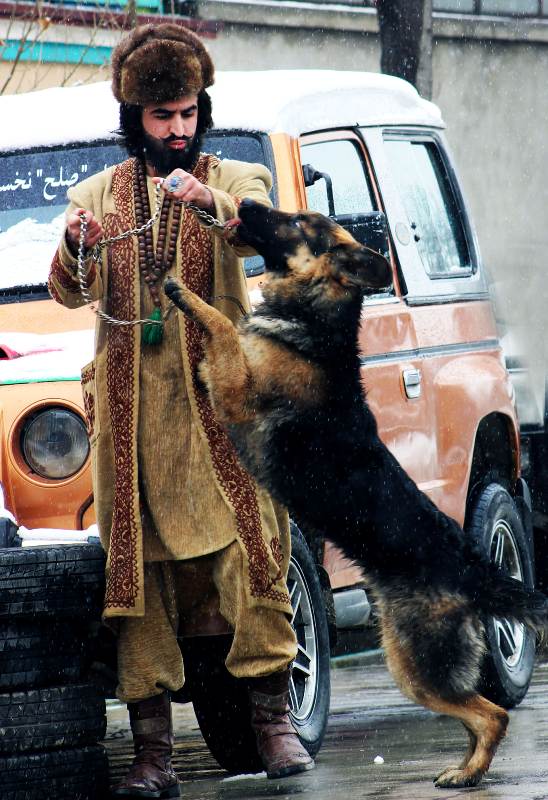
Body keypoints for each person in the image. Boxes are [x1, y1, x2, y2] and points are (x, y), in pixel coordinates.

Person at [48, 23, 313, 800]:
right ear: (136, 118)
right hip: (134, 434)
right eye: (162, 117)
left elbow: (271, 238)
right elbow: (69, 290)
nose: (178, 129)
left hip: (222, 421)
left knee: (255, 552)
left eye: (188, 112)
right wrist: (76, 247)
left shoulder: (238, 175)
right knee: (136, 583)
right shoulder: (93, 197)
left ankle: (274, 722)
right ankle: (153, 755)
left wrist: (214, 203)